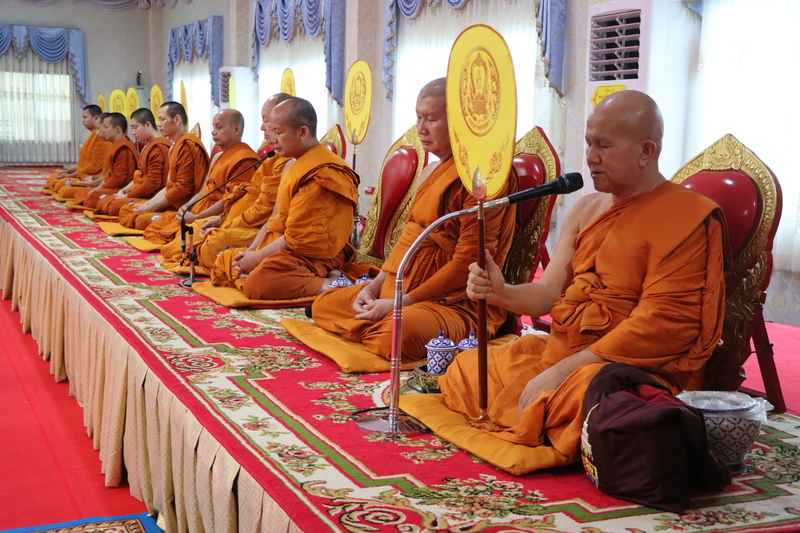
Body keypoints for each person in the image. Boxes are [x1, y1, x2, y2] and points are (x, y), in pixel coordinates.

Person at [438, 90, 727, 469]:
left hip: (625, 368)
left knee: (595, 399)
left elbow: (663, 325)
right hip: (564, 354)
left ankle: (571, 418)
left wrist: (562, 371)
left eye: (604, 146)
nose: (590, 157)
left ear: (646, 151)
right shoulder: (586, 208)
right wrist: (501, 292)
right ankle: (557, 417)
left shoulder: (687, 217)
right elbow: (547, 294)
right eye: (589, 143)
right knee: (466, 369)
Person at [309, 78, 519, 360]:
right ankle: (374, 322)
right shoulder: (432, 169)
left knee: (397, 331)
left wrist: (399, 303)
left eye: (431, 119)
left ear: (459, 122)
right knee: (324, 303)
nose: (420, 129)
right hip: (401, 288)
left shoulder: (484, 180)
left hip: (452, 303)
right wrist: (374, 287)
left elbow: (468, 263)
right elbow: (408, 237)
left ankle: (377, 326)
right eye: (418, 118)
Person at [210, 97, 359, 300]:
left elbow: (299, 238)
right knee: (229, 260)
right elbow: (276, 219)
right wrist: (251, 253)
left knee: (260, 281)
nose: (272, 140)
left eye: (278, 133)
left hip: (316, 255)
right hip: (287, 250)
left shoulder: (323, 172)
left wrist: (258, 258)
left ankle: (330, 284)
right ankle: (324, 278)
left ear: (302, 132)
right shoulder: (292, 165)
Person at [159, 93, 292, 269]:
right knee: (188, 233)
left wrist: (224, 224)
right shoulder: (270, 160)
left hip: (266, 232)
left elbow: (274, 216)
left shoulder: (272, 162)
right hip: (231, 219)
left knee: (211, 242)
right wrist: (214, 217)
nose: (262, 128)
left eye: (267, 122)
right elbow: (235, 196)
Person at [139, 108, 259, 245]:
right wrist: (187, 206)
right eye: (213, 127)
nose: (213, 132)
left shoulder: (245, 161)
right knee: (154, 226)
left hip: (214, 217)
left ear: (236, 130)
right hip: (197, 209)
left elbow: (230, 202)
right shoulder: (218, 156)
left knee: (180, 240)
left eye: (219, 127)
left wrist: (196, 217)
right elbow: (204, 190)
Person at [118, 102, 209, 230]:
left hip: (182, 205)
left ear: (176, 120)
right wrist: (149, 204)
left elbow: (183, 189)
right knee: (126, 210)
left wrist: (150, 207)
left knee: (140, 220)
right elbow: (169, 186)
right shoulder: (174, 147)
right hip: (169, 201)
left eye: (162, 119)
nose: (159, 124)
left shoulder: (187, 146)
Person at [96, 108, 171, 216]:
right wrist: (124, 191)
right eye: (132, 128)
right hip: (138, 192)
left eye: (135, 127)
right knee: (103, 203)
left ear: (148, 125)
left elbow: (152, 183)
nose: (133, 132)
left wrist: (127, 196)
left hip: (152, 196)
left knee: (111, 206)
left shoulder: (158, 148)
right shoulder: (147, 147)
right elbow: (138, 174)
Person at [60, 112, 137, 206]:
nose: (103, 131)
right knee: (83, 194)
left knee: (92, 198)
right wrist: (96, 184)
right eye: (102, 127)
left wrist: (97, 188)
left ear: (117, 129)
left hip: (120, 189)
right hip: (110, 186)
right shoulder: (116, 146)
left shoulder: (122, 149)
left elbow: (118, 178)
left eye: (106, 127)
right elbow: (108, 175)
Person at [45, 105, 109, 193]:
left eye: (85, 117)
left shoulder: (104, 140)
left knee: (63, 188)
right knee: (53, 178)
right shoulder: (94, 136)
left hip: (91, 177)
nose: (83, 120)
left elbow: (95, 167)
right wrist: (68, 172)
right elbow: (84, 163)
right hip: (88, 176)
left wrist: (71, 175)